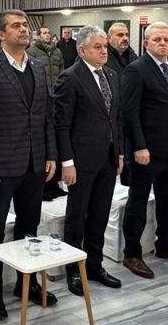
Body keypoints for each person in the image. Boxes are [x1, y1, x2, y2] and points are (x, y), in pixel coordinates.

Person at [0, 10, 57, 321]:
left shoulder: (37, 66)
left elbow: (45, 115)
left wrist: (50, 154)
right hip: (2, 165)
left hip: (35, 163)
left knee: (28, 226)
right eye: (16, 26)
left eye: (25, 26)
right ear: (0, 35)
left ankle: (27, 283)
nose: (24, 30)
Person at [120, 22, 168, 279]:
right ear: (146, 44)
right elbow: (129, 113)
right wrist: (139, 146)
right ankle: (132, 253)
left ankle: (166, 244)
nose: (163, 43)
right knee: (138, 203)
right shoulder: (136, 70)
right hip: (146, 152)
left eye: (166, 39)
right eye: (157, 40)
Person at [53, 26, 124, 295]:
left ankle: (95, 264)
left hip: (108, 157)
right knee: (77, 215)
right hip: (81, 160)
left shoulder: (112, 76)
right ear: (82, 50)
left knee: (100, 213)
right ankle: (73, 269)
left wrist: (119, 153)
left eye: (105, 46)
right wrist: (67, 162)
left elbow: (116, 118)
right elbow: (61, 124)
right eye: (97, 47)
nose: (104, 51)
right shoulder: (70, 78)